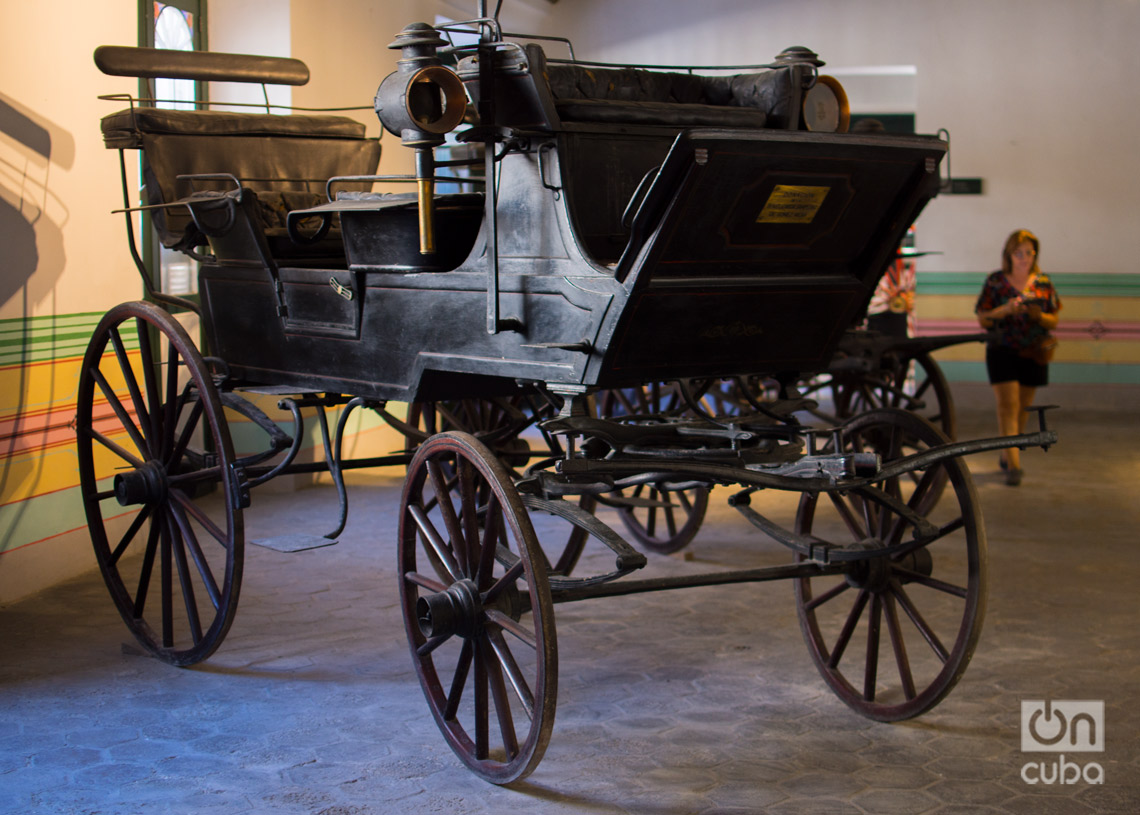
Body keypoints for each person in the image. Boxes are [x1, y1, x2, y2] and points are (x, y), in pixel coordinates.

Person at [975, 229, 1061, 485]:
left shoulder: (1043, 283)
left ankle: (1008, 449)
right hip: (1002, 349)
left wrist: (1038, 316)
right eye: (1018, 252)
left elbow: (1053, 318)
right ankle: (1013, 463)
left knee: (1023, 407)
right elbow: (982, 317)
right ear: (1009, 255)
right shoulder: (996, 281)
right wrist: (1006, 310)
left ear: (1035, 254)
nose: (1024, 258)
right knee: (1007, 406)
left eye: (1029, 253)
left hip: (1033, 351)